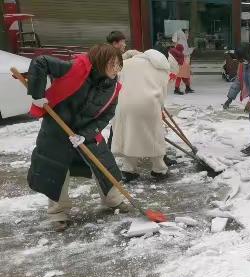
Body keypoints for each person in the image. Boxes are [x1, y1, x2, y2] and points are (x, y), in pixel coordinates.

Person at [26, 44, 128, 232]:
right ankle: (58, 213)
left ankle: (113, 200)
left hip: (86, 132)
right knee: (56, 169)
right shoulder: (74, 68)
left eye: (118, 65)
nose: (116, 69)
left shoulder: (112, 88)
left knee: (104, 164)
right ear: (100, 62)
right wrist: (37, 95)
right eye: (112, 64)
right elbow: (41, 62)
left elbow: (107, 115)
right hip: (56, 129)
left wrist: (85, 135)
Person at [111, 49, 180, 182]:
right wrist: (159, 107)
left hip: (125, 104)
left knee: (129, 134)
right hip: (148, 104)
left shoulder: (127, 63)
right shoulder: (162, 68)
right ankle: (159, 169)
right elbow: (162, 90)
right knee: (154, 135)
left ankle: (128, 169)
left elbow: (116, 78)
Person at [223, 42, 250, 156]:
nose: (242, 62)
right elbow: (239, 79)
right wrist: (230, 98)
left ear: (249, 54)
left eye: (243, 60)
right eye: (240, 60)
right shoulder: (244, 62)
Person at [172, 29, 194, 95]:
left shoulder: (182, 41)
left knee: (184, 75)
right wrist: (191, 50)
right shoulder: (181, 42)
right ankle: (178, 88)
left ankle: (186, 87)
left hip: (183, 61)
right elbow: (184, 52)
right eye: (187, 33)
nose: (188, 35)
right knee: (181, 75)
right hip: (182, 62)